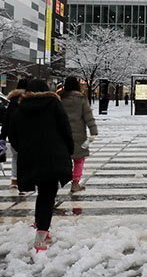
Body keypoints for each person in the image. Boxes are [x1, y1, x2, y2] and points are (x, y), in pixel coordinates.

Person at [9, 79, 73, 252]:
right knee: (47, 194)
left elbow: (13, 136)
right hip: (53, 157)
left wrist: (24, 149)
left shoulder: (21, 109)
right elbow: (66, 129)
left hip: (30, 159)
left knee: (43, 193)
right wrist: (68, 150)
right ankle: (40, 237)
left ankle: (41, 226)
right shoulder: (54, 105)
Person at [59, 76, 98, 193]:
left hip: (61, 133)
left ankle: (58, 181)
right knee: (79, 159)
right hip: (79, 134)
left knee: (61, 159)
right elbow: (88, 116)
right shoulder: (80, 98)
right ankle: (75, 183)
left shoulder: (60, 98)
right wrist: (93, 131)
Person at [0, 77, 29, 189]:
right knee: (27, 157)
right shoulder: (28, 99)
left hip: (13, 134)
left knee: (15, 157)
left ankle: (14, 180)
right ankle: (25, 179)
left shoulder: (11, 101)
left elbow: (6, 120)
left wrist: (2, 136)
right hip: (27, 133)